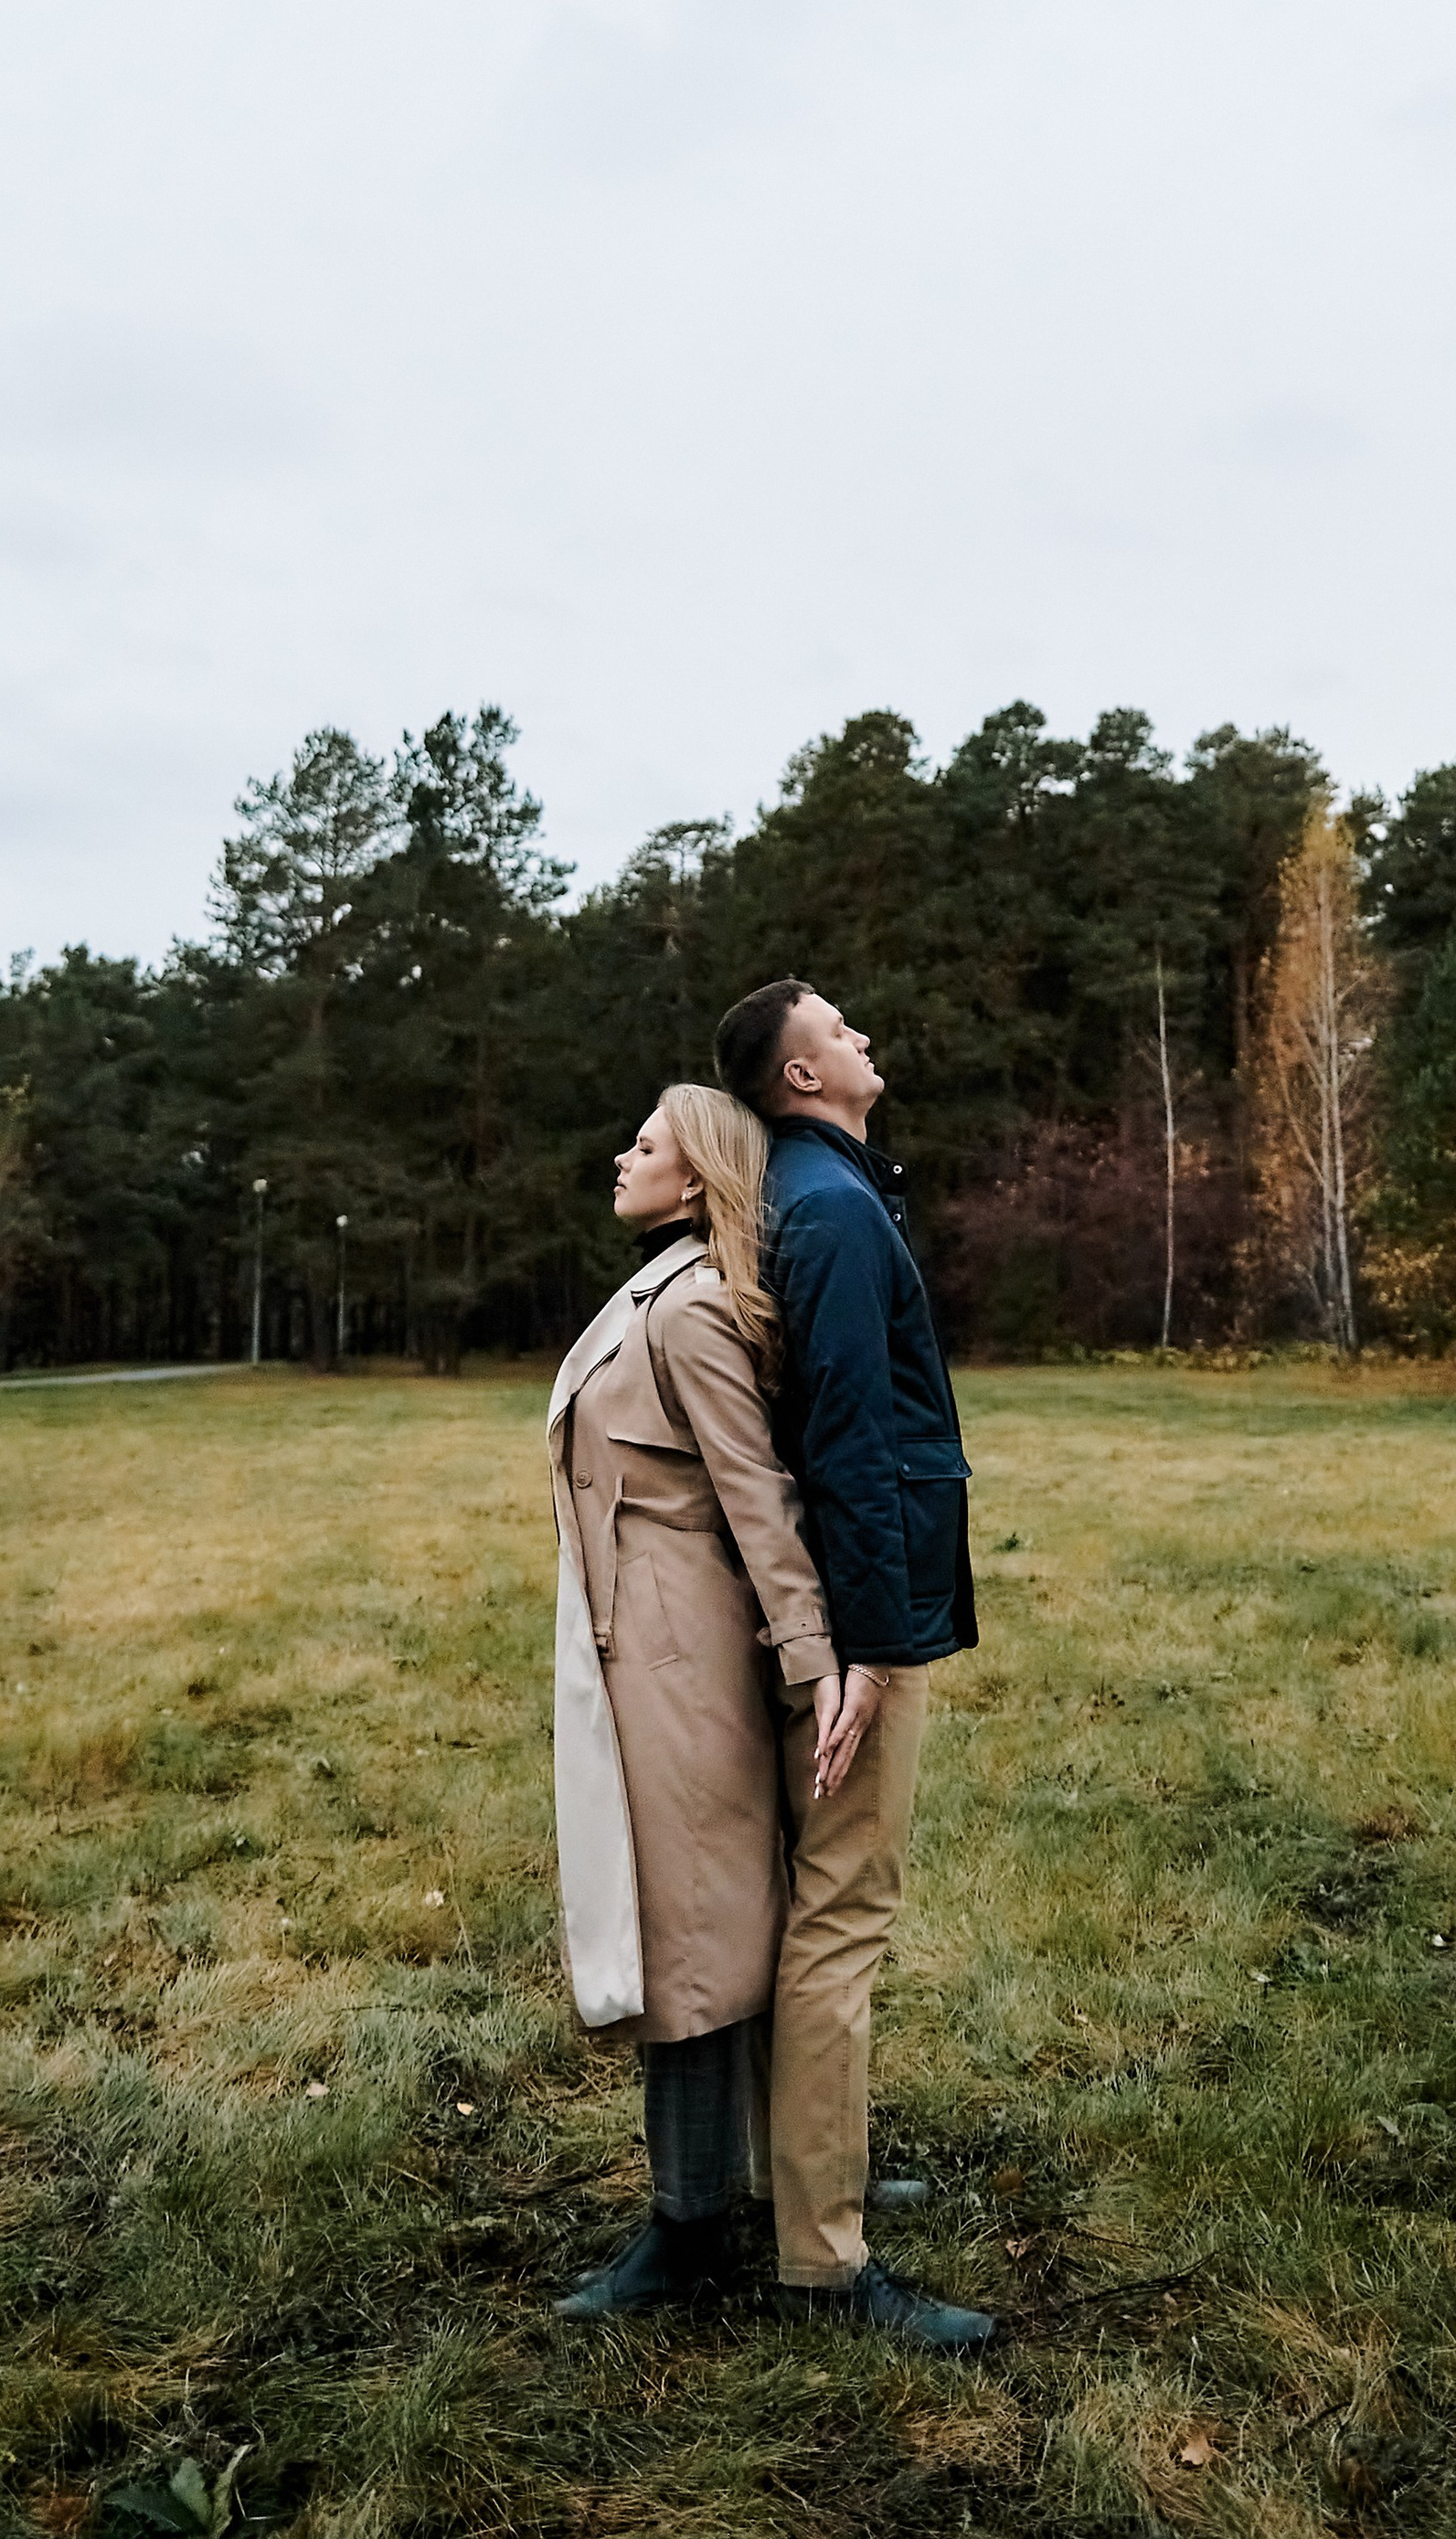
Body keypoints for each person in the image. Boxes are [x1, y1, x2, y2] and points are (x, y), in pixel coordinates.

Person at [712, 977, 994, 2353]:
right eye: (841, 1028)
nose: (868, 1035)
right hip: (856, 1619)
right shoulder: (824, 1209)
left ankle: (810, 2170)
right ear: (803, 1078)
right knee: (840, 1916)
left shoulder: (831, 1193)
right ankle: (823, 2257)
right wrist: (871, 1648)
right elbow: (844, 1439)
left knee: (816, 1908)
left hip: (846, 1608)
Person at [546, 1080, 840, 2318]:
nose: (624, 1153)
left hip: (682, 1663)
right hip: (641, 1650)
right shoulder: (654, 1292)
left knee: (694, 1938)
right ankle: (748, 2184)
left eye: (648, 1143)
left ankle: (689, 2230)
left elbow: (759, 1496)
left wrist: (813, 1661)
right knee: (698, 1924)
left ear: (700, 1174)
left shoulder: (697, 1309)